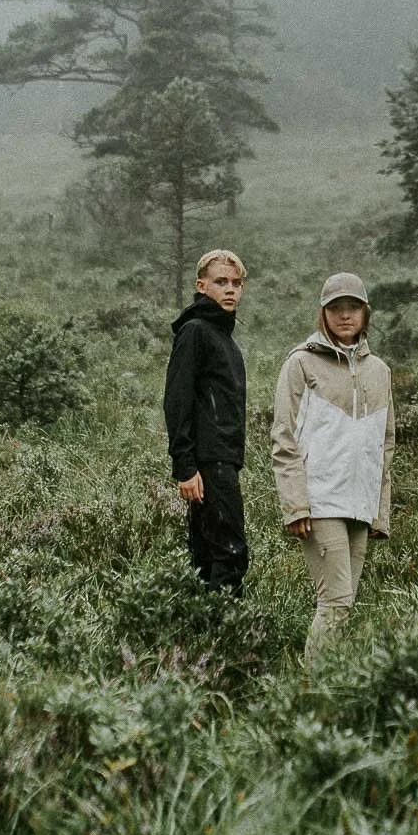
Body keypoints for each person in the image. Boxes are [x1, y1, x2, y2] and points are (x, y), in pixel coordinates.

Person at [270, 272, 395, 660]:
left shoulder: (380, 371)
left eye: (353, 307)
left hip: (360, 504)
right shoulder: (300, 363)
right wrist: (295, 505)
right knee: (336, 603)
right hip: (319, 503)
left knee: (344, 605)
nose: (345, 316)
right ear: (322, 314)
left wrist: (380, 513)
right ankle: (311, 693)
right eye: (336, 308)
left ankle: (330, 688)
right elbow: (283, 437)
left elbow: (385, 445)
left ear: (365, 313)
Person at [164, 248, 248, 593]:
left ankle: (201, 635)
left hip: (221, 460)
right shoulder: (196, 331)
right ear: (201, 286)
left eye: (236, 283)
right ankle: (228, 634)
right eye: (221, 282)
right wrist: (185, 466)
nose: (230, 289)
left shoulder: (223, 337)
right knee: (230, 553)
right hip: (208, 464)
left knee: (207, 555)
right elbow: (177, 400)